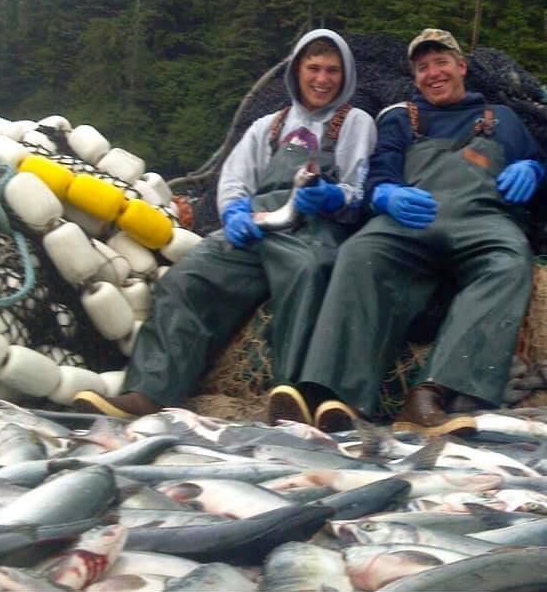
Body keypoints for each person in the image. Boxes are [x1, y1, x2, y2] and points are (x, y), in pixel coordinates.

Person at [73, 29, 377, 421]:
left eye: (332, 71)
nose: (322, 79)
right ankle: (150, 392)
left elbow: (359, 186)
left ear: (345, 75)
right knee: (184, 280)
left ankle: (296, 397)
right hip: (257, 226)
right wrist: (234, 213)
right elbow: (234, 181)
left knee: (311, 272)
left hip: (315, 229)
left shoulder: (355, 123)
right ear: (297, 71)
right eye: (313, 68)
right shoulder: (268, 125)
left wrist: (335, 197)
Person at [273, 28, 546, 434]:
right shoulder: (401, 117)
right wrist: (385, 194)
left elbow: (541, 186)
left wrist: (536, 170)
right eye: (422, 67)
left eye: (441, 63)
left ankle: (432, 396)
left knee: (509, 262)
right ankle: (331, 395)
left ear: (461, 67)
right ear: (414, 76)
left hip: (483, 223)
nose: (433, 73)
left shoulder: (501, 118)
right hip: (409, 223)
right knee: (359, 253)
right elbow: (378, 172)